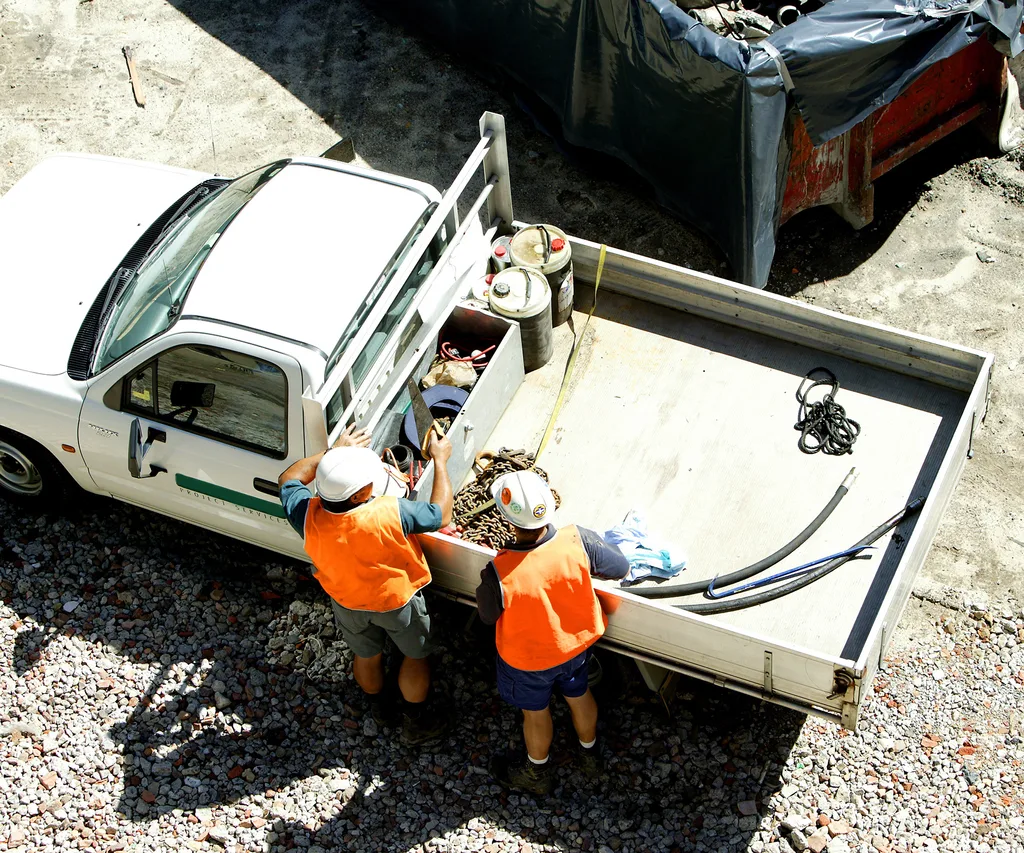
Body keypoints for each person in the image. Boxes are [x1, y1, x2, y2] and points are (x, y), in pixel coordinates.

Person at [277, 423, 454, 746]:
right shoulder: (388, 512)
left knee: (366, 654)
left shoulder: (307, 515)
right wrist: (440, 460)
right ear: (360, 494)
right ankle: (416, 723)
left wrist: (333, 456)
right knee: (414, 657)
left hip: (347, 603)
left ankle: (380, 708)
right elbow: (440, 514)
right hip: (397, 602)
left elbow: (288, 478)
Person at [475, 470, 629, 795]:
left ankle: (536, 773)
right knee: (579, 696)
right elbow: (619, 567)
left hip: (526, 663)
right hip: (574, 651)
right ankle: (589, 755)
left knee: (535, 713)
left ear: (508, 521)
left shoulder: (498, 572)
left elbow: (487, 617)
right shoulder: (577, 540)